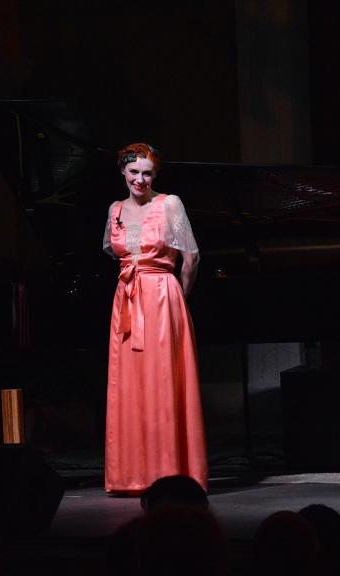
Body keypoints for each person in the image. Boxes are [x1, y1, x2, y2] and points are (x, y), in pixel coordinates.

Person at [103, 143, 207, 494]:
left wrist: (177, 299)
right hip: (129, 301)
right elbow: (130, 251)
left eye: (147, 173)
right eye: (134, 172)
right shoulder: (116, 209)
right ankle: (133, 474)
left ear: (155, 175)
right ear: (123, 172)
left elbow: (191, 258)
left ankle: (171, 473)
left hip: (162, 298)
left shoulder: (169, 203)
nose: (140, 179)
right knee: (131, 385)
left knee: (162, 381)